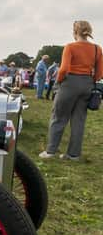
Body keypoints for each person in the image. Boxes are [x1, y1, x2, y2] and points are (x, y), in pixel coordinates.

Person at [39, 21, 102, 160]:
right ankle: (73, 154)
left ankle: (50, 151)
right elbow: (99, 73)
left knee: (59, 117)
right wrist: (90, 80)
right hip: (87, 84)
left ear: (75, 32)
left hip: (69, 83)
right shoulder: (98, 49)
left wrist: (59, 82)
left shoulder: (70, 47)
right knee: (79, 120)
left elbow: (63, 69)